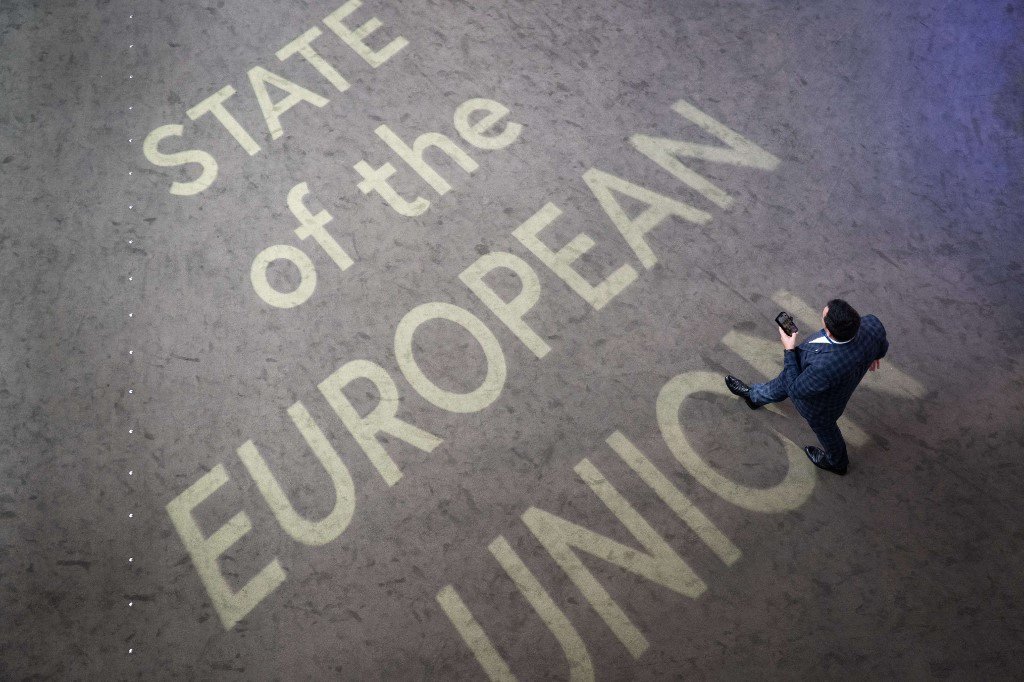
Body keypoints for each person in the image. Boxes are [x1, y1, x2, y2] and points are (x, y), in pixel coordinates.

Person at [724, 299, 888, 475]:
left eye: (824, 315)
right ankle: (754, 397)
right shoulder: (872, 324)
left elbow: (795, 389)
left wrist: (789, 349)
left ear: (829, 331)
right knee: (781, 382)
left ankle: (837, 463)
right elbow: (882, 344)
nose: (822, 313)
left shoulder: (824, 367)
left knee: (826, 429)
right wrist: (876, 355)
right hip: (814, 377)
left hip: (821, 405)